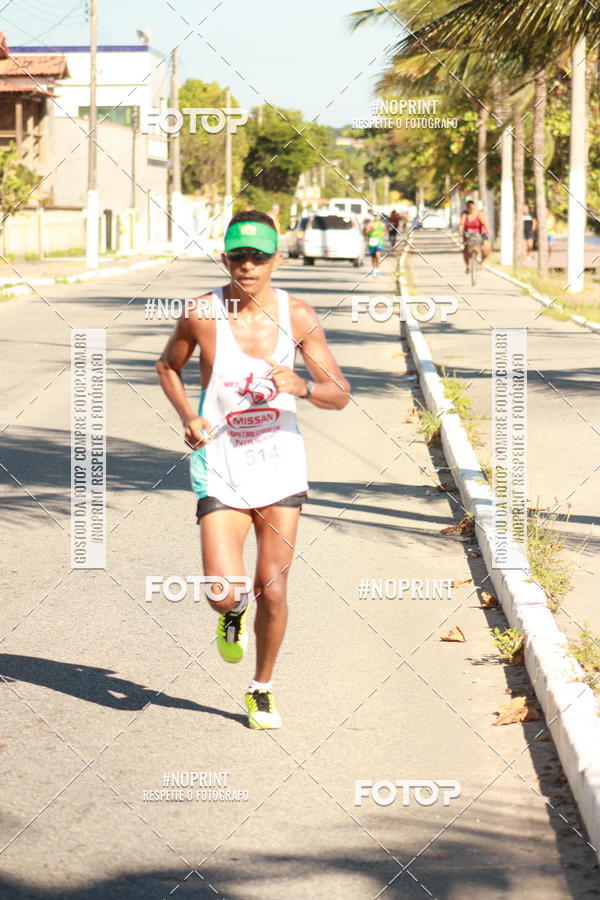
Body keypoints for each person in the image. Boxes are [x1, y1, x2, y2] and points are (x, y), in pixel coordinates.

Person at [156, 210, 350, 730]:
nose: (248, 266)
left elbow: (339, 393)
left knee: (276, 587)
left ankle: (261, 688)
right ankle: (233, 617)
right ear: (225, 259)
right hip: (220, 466)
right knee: (223, 593)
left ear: (276, 260)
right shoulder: (201, 313)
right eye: (238, 256)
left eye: (259, 257)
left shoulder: (300, 316)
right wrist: (189, 415)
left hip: (281, 468)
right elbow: (167, 366)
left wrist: (303, 387)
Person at [458, 200, 490, 273]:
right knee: (466, 250)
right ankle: (468, 265)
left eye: (472, 206)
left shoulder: (479, 213)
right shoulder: (464, 214)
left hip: (480, 233)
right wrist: (460, 230)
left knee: (487, 248)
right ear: (467, 207)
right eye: (469, 207)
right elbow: (461, 224)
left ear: (474, 206)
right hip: (468, 234)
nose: (470, 208)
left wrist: (488, 231)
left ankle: (482, 262)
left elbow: (484, 223)